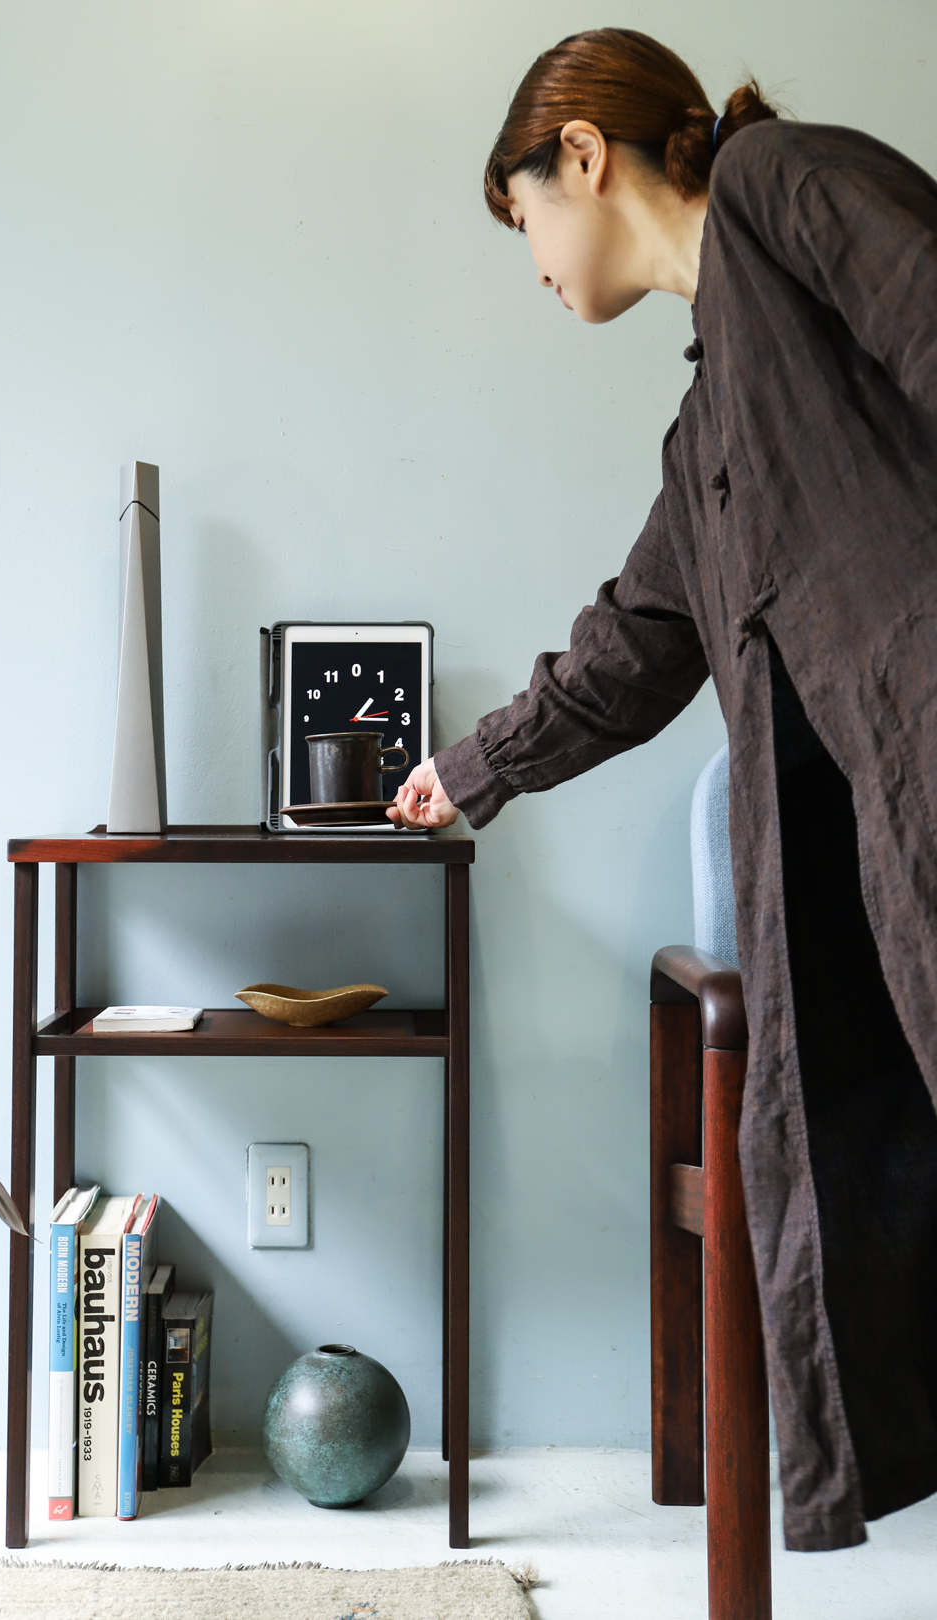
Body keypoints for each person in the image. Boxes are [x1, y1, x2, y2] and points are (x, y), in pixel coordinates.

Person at [387, 27, 937, 1554]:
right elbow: (629, 651)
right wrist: (466, 771)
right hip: (883, 868)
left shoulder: (781, 180)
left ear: (582, 153)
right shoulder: (707, 440)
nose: (533, 264)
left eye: (525, 221)